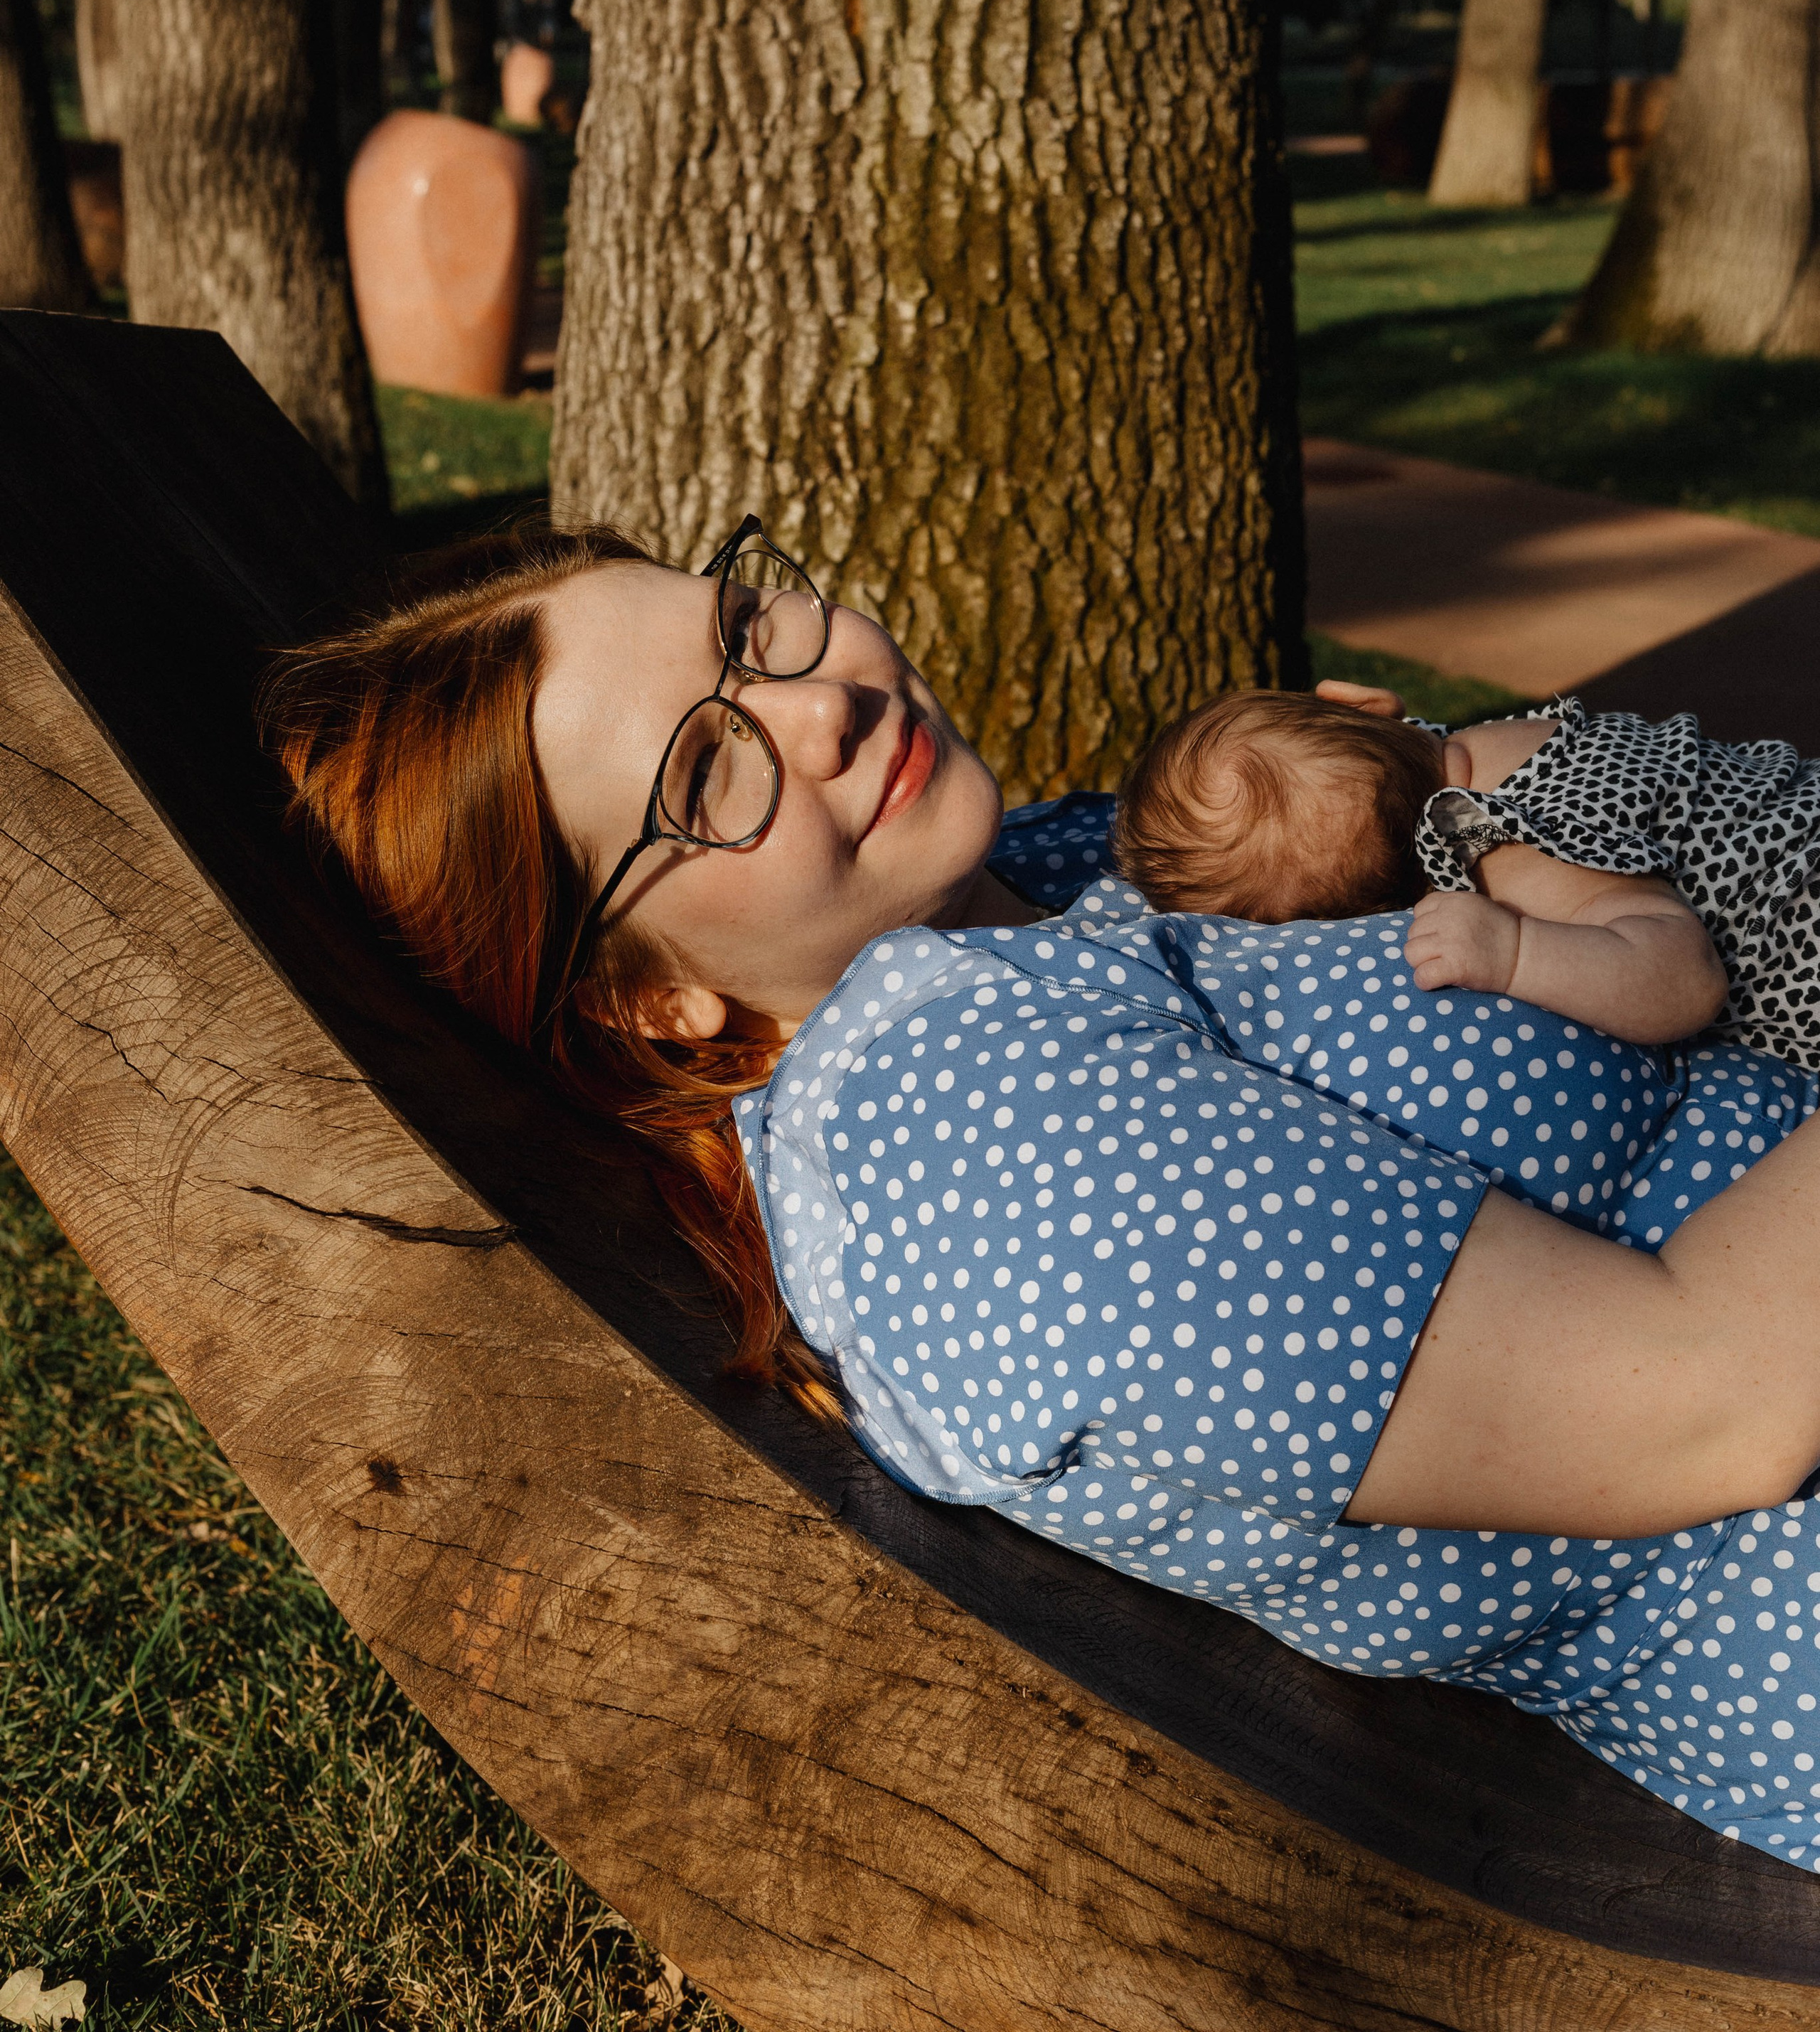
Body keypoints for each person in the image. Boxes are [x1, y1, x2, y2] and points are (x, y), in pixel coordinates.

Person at [259, 516, 1820, 1873]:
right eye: (707, 767)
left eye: (748, 628)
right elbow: (1708, 1398)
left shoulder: (1025, 891)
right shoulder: (966, 1145)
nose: (821, 705)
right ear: (647, 1005)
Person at [1115, 680, 1820, 1064]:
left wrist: (1515, 953)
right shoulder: (1474, 748)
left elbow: (1683, 981)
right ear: (1363, 702)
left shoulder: (1498, 838)